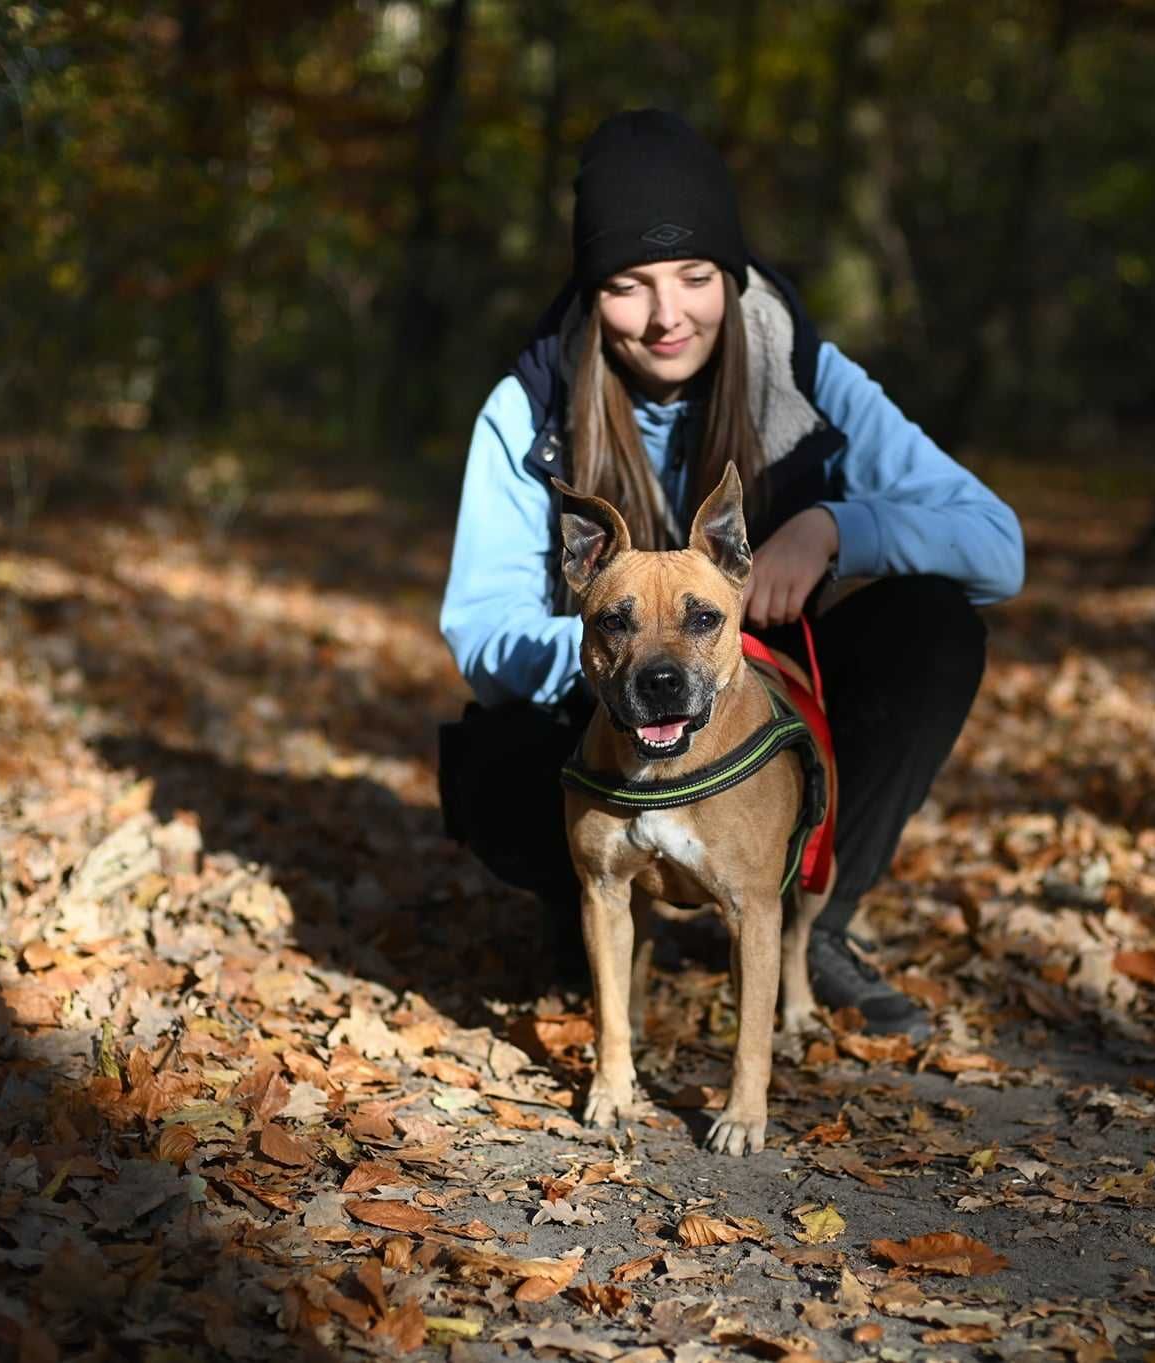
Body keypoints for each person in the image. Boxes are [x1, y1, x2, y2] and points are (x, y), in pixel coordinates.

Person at [437, 109, 1022, 1040]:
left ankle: (812, 920)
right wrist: (625, 656)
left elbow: (998, 544)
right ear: (592, 295)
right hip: (593, 710)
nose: (668, 316)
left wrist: (838, 528)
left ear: (732, 277)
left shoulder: (806, 375)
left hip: (771, 693)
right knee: (496, 766)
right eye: (629, 286)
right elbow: (480, 626)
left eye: (696, 277)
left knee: (936, 624)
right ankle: (593, 896)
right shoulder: (530, 405)